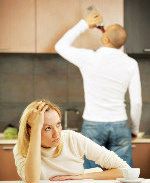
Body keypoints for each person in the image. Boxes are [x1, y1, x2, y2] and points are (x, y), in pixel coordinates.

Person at [55, 11, 142, 167]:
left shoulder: (89, 58)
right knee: (123, 174)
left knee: (91, 176)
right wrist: (134, 129)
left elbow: (60, 46)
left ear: (105, 38)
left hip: (93, 124)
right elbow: (136, 102)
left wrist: (84, 24)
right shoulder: (131, 63)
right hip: (120, 124)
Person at [13, 100, 130, 182]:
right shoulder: (21, 148)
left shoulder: (72, 139)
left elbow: (125, 170)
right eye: (48, 128)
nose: (56, 133)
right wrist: (36, 130)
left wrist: (82, 177)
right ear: (30, 130)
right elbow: (32, 180)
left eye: (58, 125)